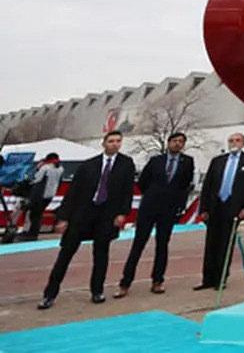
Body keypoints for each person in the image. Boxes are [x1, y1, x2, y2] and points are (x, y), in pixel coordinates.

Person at [37, 131, 136, 309]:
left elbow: (127, 191)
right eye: (111, 141)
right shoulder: (88, 165)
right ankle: (49, 294)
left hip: (106, 216)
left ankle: (97, 291)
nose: (115, 144)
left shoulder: (126, 164)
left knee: (101, 255)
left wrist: (123, 213)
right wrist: (63, 218)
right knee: (65, 254)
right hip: (82, 214)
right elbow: (73, 192)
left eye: (118, 141)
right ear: (104, 143)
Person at [115, 133, 195, 297]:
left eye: (181, 142)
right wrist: (153, 194)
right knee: (138, 244)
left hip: (169, 210)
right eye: (174, 141)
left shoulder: (187, 162)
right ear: (168, 143)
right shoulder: (156, 160)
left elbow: (185, 185)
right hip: (149, 207)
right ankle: (125, 282)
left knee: (162, 245)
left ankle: (158, 280)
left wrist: (178, 205)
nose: (177, 144)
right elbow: (143, 181)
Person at [194, 133, 244, 291]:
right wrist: (204, 209)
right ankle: (207, 279)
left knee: (225, 244)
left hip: (233, 207)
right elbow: (207, 185)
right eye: (231, 140)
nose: (234, 143)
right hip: (215, 206)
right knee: (211, 244)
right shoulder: (218, 161)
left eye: (237, 140)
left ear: (243, 142)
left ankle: (221, 278)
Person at [23, 153, 63, 239]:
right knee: (38, 214)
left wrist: (38, 168)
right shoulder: (60, 169)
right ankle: (33, 232)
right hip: (50, 195)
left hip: (40, 195)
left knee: (34, 214)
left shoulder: (45, 168)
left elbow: (36, 179)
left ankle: (32, 234)